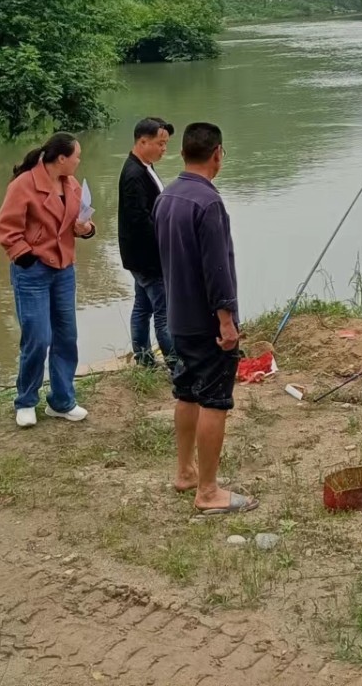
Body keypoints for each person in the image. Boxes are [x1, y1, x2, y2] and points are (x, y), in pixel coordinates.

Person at [153, 121, 256, 515]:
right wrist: (226, 322)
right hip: (205, 322)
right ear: (218, 155)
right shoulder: (208, 203)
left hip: (177, 317)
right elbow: (218, 271)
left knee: (186, 392)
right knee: (214, 400)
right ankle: (208, 491)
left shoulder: (166, 197)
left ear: (182, 154)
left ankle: (185, 472)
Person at [0, 131, 97, 429]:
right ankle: (26, 401)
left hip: (64, 269)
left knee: (66, 337)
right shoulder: (24, 185)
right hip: (33, 271)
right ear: (61, 158)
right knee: (37, 338)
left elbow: (80, 223)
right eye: (76, 156)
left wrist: (85, 228)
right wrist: (23, 255)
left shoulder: (72, 185)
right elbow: (5, 228)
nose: (79, 160)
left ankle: (62, 401)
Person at [119, 116, 177, 372]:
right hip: (148, 257)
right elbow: (140, 221)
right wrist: (167, 242)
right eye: (160, 144)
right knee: (164, 313)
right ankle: (178, 367)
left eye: (165, 144)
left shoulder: (144, 166)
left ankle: (144, 358)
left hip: (141, 256)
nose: (164, 149)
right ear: (143, 141)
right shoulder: (134, 174)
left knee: (143, 307)